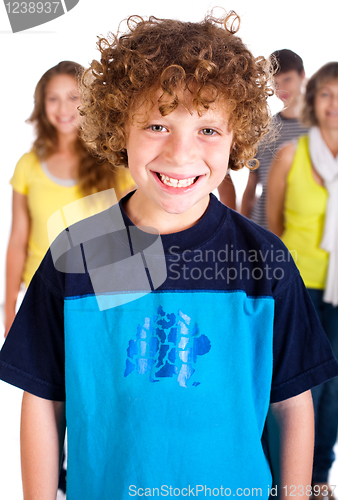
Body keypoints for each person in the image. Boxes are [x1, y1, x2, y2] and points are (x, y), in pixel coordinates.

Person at [0, 13, 338, 500]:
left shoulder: (264, 262)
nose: (181, 154)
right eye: (158, 124)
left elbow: (291, 404)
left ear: (236, 137)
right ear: (120, 127)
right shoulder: (82, 256)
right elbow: (43, 401)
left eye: (208, 130)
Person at [4, 60, 135, 338]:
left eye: (73, 97)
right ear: (42, 104)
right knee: (36, 382)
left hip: (99, 297)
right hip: (41, 298)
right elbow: (17, 239)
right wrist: (9, 309)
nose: (63, 109)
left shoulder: (116, 164)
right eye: (53, 99)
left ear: (90, 102)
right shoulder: (28, 165)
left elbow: (131, 236)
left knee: (89, 380)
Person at [267, 62, 338, 499]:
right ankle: (281, 479)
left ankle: (316, 479)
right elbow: (272, 228)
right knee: (295, 385)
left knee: (333, 388)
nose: (335, 104)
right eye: (327, 94)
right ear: (314, 101)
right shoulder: (291, 154)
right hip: (298, 288)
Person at [241, 49, 308, 227]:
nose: (282, 89)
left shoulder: (321, 129)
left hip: (304, 229)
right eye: (275, 83)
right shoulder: (265, 129)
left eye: (287, 79)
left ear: (302, 75)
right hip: (263, 227)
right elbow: (251, 185)